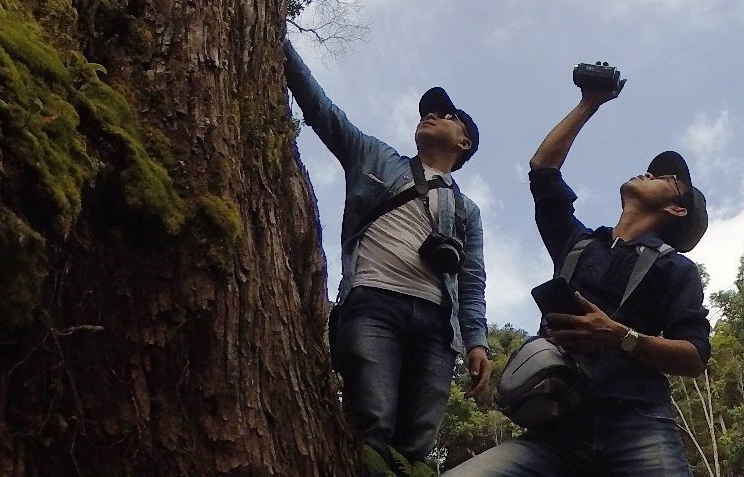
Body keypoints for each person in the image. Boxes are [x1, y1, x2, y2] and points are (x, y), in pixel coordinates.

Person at [449, 66, 711, 477]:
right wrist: (590, 102)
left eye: (666, 179)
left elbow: (694, 357)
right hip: (554, 430)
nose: (650, 172)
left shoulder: (676, 269)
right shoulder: (579, 244)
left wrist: (621, 337)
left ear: (676, 209)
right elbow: (543, 171)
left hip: (638, 424)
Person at [285, 43, 491, 465]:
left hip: (437, 326)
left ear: (464, 142)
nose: (430, 115)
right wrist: (282, 47)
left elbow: (472, 283)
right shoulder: (376, 157)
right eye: (427, 112)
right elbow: (324, 112)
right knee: (371, 425)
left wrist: (477, 343)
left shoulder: (467, 210)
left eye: (446, 115)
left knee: (414, 448)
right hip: (373, 304)